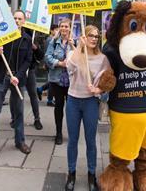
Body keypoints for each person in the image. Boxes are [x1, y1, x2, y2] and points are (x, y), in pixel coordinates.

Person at [0, 10, 33, 162]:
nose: (17, 21)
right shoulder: (2, 36)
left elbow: (28, 60)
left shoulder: (27, 39)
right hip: (1, 77)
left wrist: (18, 76)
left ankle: (20, 142)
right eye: (15, 18)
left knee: (19, 112)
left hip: (17, 79)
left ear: (24, 21)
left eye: (20, 19)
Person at [64, 25, 110, 191]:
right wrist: (79, 47)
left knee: (91, 141)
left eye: (96, 36)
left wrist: (99, 90)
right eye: (90, 35)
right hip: (73, 102)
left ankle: (92, 174)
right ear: (84, 36)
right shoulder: (73, 53)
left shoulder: (102, 58)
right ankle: (71, 173)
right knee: (73, 140)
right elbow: (70, 67)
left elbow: (108, 80)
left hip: (91, 102)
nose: (93, 38)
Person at [45, 18, 75, 145]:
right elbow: (47, 57)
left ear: (70, 28)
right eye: (62, 26)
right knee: (58, 107)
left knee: (71, 109)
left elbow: (81, 58)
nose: (63, 28)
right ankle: (58, 133)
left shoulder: (75, 42)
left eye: (66, 26)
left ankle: (72, 134)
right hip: (56, 80)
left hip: (71, 81)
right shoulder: (53, 41)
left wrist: (73, 45)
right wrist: (59, 63)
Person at [37, 24, 59, 106]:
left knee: (52, 82)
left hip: (53, 63)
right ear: (51, 31)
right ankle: (49, 100)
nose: (57, 31)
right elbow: (47, 53)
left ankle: (40, 89)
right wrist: (45, 64)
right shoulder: (50, 40)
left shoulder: (54, 39)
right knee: (52, 82)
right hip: (50, 63)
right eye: (56, 30)